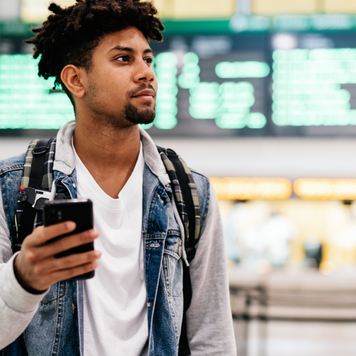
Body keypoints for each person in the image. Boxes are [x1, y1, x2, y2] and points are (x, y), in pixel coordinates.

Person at [0, 0, 236, 355]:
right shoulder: (12, 188)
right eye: (124, 58)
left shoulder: (189, 193)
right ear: (76, 80)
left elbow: (212, 336)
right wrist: (23, 280)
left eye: (147, 58)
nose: (146, 72)